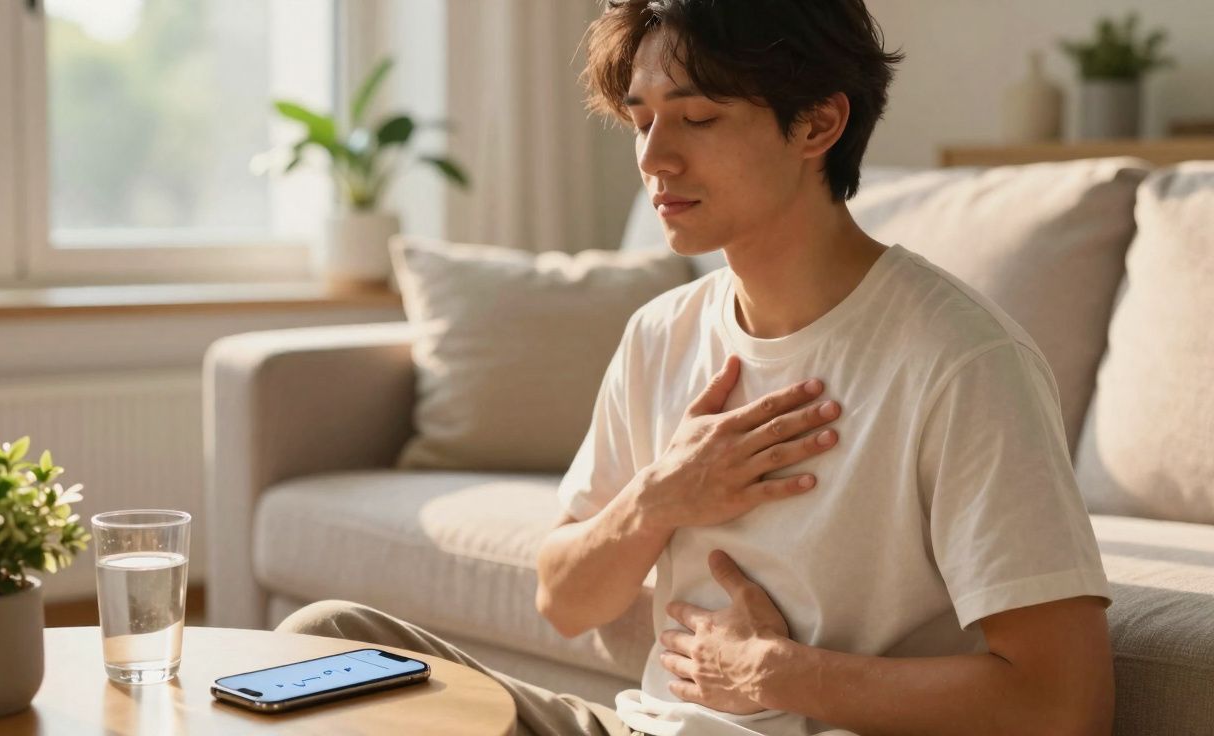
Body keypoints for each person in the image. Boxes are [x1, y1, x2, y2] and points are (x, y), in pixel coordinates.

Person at [277, 1, 1115, 734]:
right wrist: (659, 498)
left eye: (698, 118)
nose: (652, 157)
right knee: (328, 640)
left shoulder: (962, 361)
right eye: (641, 118)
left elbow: (1060, 707)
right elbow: (565, 600)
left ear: (819, 125)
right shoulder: (662, 332)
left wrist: (777, 676)